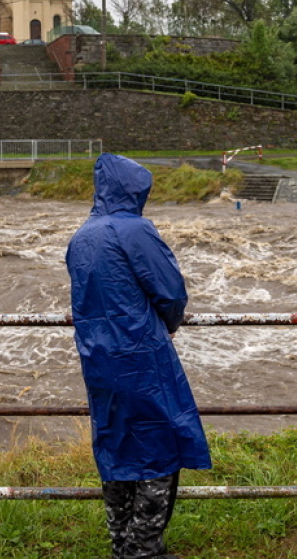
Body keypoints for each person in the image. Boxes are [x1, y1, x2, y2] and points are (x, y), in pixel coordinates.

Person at [66, 153, 212, 559]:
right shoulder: (134, 230)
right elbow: (170, 291)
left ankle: (121, 544)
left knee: (116, 446)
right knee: (159, 448)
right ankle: (144, 549)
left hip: (98, 358)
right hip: (141, 356)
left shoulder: (82, 236)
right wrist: (169, 323)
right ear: (133, 190)